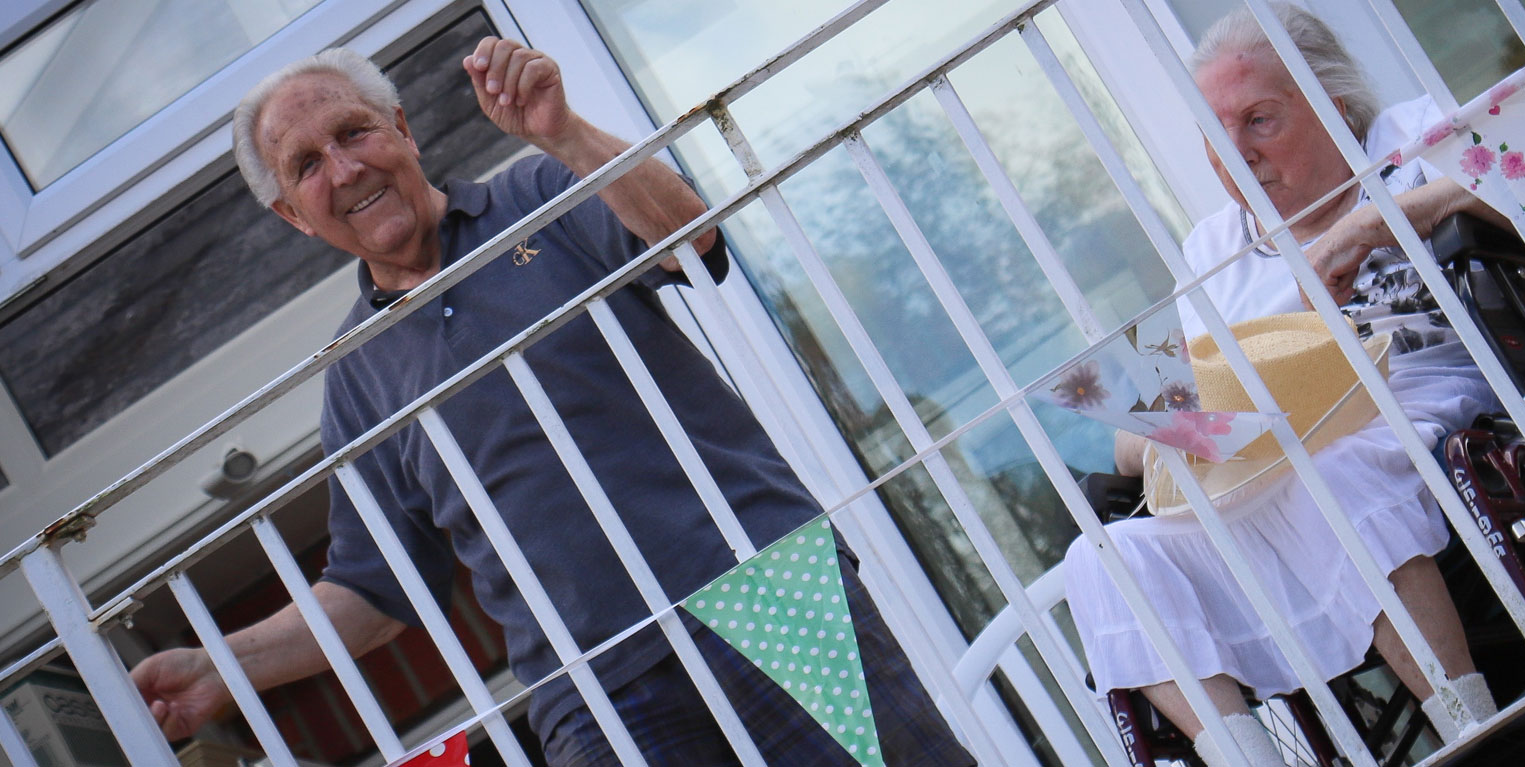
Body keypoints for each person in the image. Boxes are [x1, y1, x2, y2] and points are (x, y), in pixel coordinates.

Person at [127, 40, 972, 767]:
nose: (344, 170)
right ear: (292, 216)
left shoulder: (539, 195)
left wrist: (563, 133)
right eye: (307, 165)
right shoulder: (356, 379)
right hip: (593, 685)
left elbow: (690, 233)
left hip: (761, 582)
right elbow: (374, 591)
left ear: (404, 131)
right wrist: (220, 667)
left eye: (354, 132)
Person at [1061, 5, 1525, 764]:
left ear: (1334, 103)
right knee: (1105, 559)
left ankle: (1472, 724)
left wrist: (1376, 222)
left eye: (1260, 120)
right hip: (1268, 464)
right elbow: (1139, 428)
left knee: (1327, 473)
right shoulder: (1211, 249)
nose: (1239, 155)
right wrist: (1167, 432)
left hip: (1422, 399)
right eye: (1217, 133)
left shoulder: (1409, 138)